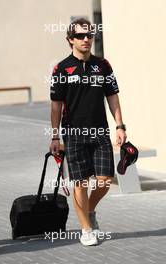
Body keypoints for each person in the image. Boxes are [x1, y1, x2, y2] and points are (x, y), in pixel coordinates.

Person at [49, 18, 127, 246]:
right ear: (70, 40)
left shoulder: (103, 65)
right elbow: (56, 105)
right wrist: (55, 135)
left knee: (105, 180)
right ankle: (85, 229)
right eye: (81, 36)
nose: (86, 39)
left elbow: (112, 96)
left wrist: (120, 125)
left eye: (89, 35)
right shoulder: (61, 68)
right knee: (80, 183)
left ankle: (89, 211)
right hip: (73, 134)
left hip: (100, 131)